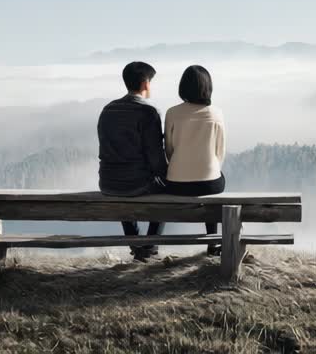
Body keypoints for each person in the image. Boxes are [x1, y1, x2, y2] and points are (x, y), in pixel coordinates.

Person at [97, 61, 169, 261]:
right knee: (167, 193)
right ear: (146, 84)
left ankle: (137, 248)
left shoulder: (107, 110)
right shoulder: (148, 112)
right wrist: (169, 178)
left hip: (108, 182)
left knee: (123, 185)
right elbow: (156, 157)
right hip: (137, 183)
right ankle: (150, 248)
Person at [163, 64, 227, 256]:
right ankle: (213, 242)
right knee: (216, 179)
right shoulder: (216, 114)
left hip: (176, 183)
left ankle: (151, 244)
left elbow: (169, 149)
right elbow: (220, 152)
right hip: (209, 184)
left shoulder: (172, 113)